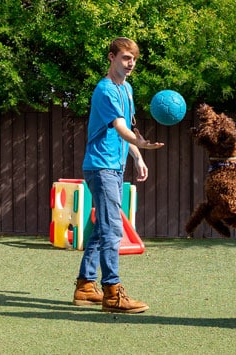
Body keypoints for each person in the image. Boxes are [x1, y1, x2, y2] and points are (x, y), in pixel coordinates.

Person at [73, 37, 164, 313]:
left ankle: (86, 286)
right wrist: (140, 145)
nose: (131, 63)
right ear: (112, 57)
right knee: (113, 228)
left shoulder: (127, 90)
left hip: (113, 166)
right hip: (101, 166)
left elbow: (130, 129)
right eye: (126, 58)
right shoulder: (105, 90)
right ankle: (112, 293)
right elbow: (120, 128)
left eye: (134, 59)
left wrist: (138, 157)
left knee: (104, 227)